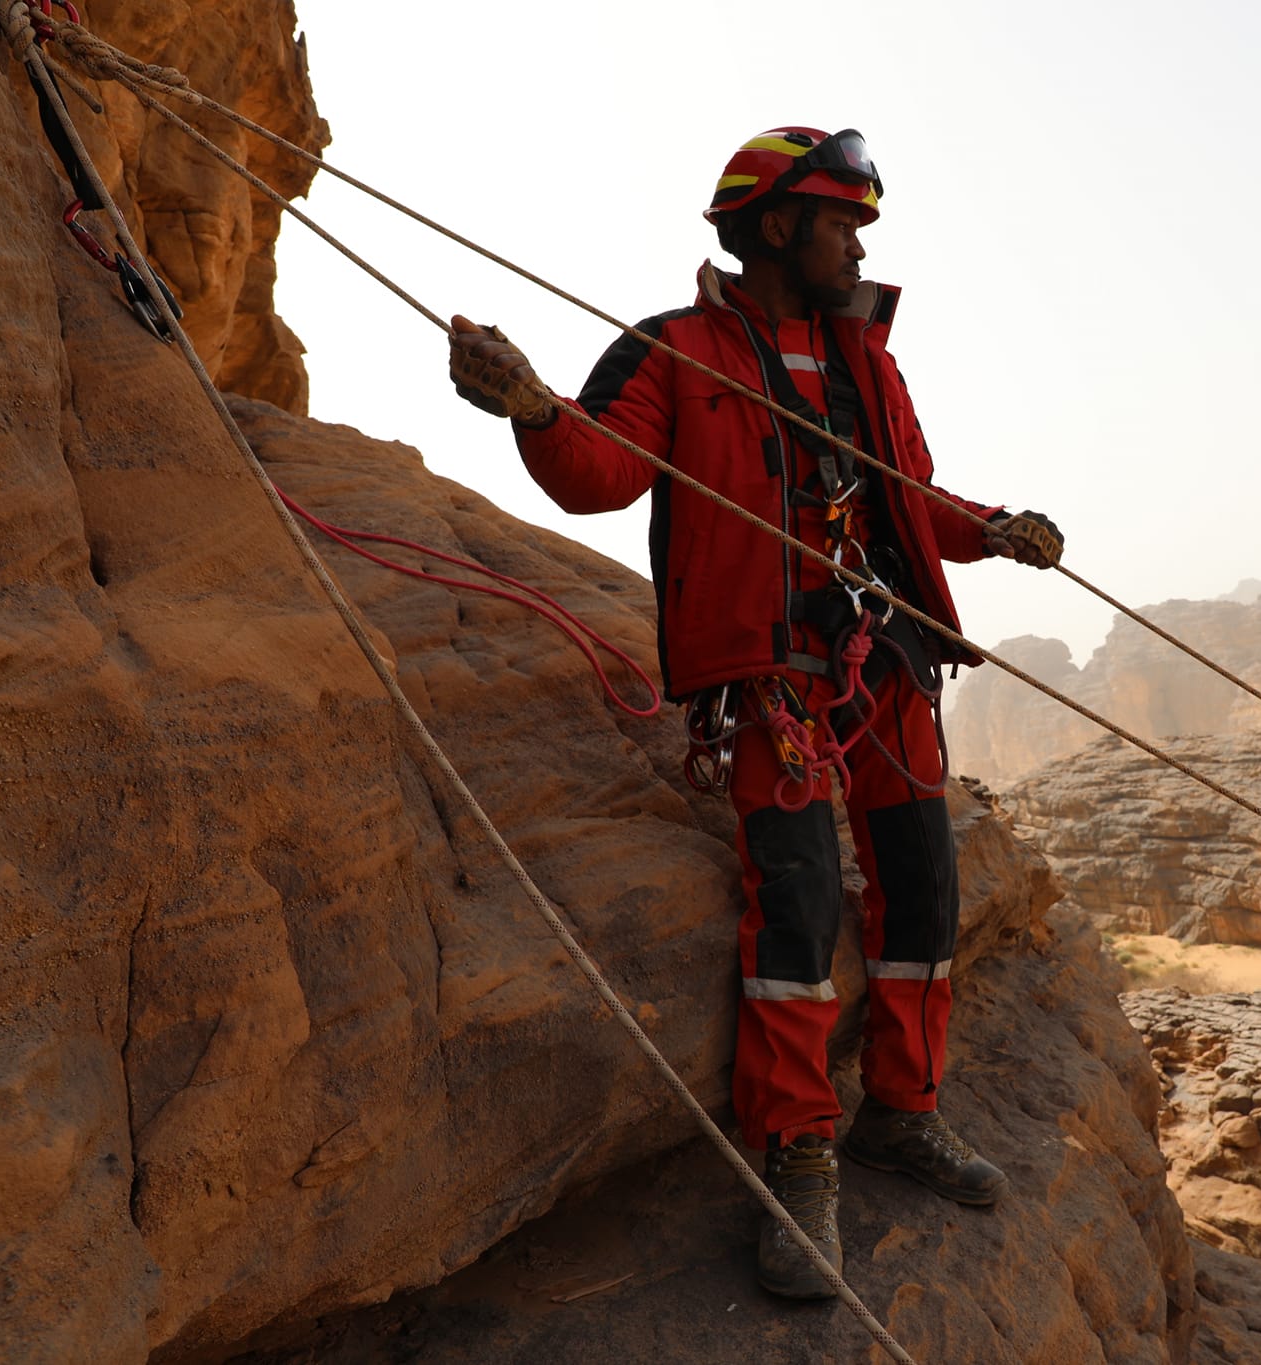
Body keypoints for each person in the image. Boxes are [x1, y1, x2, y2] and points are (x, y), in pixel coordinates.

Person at [444, 126, 1063, 1300]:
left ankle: (904, 1111)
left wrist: (993, 531)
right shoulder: (673, 350)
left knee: (921, 884)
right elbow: (600, 471)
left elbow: (910, 499)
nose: (856, 243)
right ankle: (799, 1150)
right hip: (772, 676)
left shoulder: (868, 359)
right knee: (798, 903)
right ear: (776, 225)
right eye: (840, 222)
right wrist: (531, 407)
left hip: (883, 664)